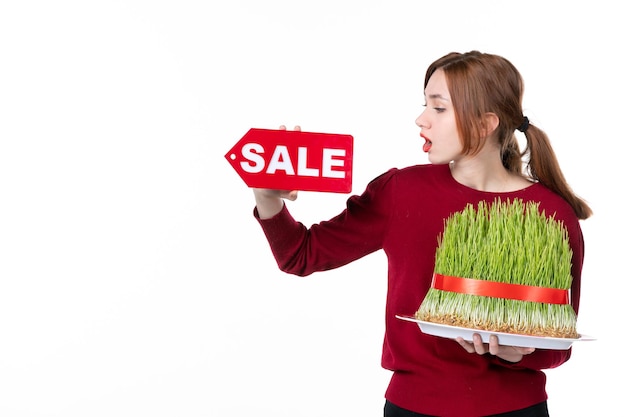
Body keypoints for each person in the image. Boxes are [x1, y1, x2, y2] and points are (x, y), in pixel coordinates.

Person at [250, 51, 592, 417]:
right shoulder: (401, 191)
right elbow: (300, 255)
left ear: (484, 123)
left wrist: (516, 352)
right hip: (412, 408)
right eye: (424, 105)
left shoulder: (552, 213)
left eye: (439, 108)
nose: (421, 119)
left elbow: (559, 345)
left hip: (516, 409)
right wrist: (265, 197)